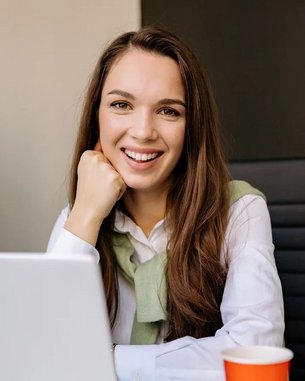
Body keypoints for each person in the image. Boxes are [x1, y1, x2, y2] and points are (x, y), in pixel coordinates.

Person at [47, 26, 284, 381]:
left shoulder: (240, 211)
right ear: (97, 115)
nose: (143, 131)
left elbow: (256, 349)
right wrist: (85, 214)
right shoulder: (82, 215)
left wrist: (109, 362)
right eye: (121, 105)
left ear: (191, 126)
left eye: (168, 111)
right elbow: (45, 350)